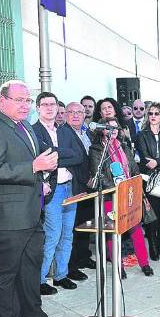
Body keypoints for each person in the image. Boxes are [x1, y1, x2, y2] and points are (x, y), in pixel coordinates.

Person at [0, 80, 66, 317]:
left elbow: (32, 165)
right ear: (2, 100)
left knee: (29, 269)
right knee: (6, 275)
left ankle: (32, 316)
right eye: (19, 100)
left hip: (30, 213)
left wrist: (43, 179)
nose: (25, 105)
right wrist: (35, 167)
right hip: (6, 219)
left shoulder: (23, 126)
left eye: (28, 100)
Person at [31, 92, 84, 294]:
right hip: (52, 190)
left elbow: (78, 156)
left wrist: (55, 154)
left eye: (52, 104)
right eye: (44, 104)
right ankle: (41, 279)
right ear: (38, 108)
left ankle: (61, 275)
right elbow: (42, 157)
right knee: (52, 235)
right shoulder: (34, 131)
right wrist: (61, 154)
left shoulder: (64, 131)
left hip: (70, 188)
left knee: (67, 234)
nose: (49, 108)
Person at [89, 117, 153, 277]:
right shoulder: (96, 150)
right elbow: (99, 176)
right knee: (113, 232)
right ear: (102, 130)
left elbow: (134, 169)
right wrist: (117, 188)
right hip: (111, 195)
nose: (113, 130)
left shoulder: (124, 147)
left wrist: (137, 189)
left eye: (115, 127)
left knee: (136, 229)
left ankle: (144, 263)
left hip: (129, 194)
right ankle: (119, 267)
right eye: (109, 127)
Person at [135, 101, 160, 261]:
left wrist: (159, 165)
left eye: (156, 113)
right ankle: (152, 247)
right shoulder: (141, 135)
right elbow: (145, 158)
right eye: (150, 113)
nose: (153, 116)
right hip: (148, 178)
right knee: (151, 214)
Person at [64, 102, 94, 280]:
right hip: (75, 186)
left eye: (79, 112)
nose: (75, 115)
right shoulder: (64, 133)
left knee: (86, 224)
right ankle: (71, 266)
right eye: (72, 112)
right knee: (73, 228)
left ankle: (83, 257)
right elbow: (72, 161)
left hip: (89, 186)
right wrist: (86, 179)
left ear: (85, 115)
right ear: (66, 114)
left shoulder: (87, 132)